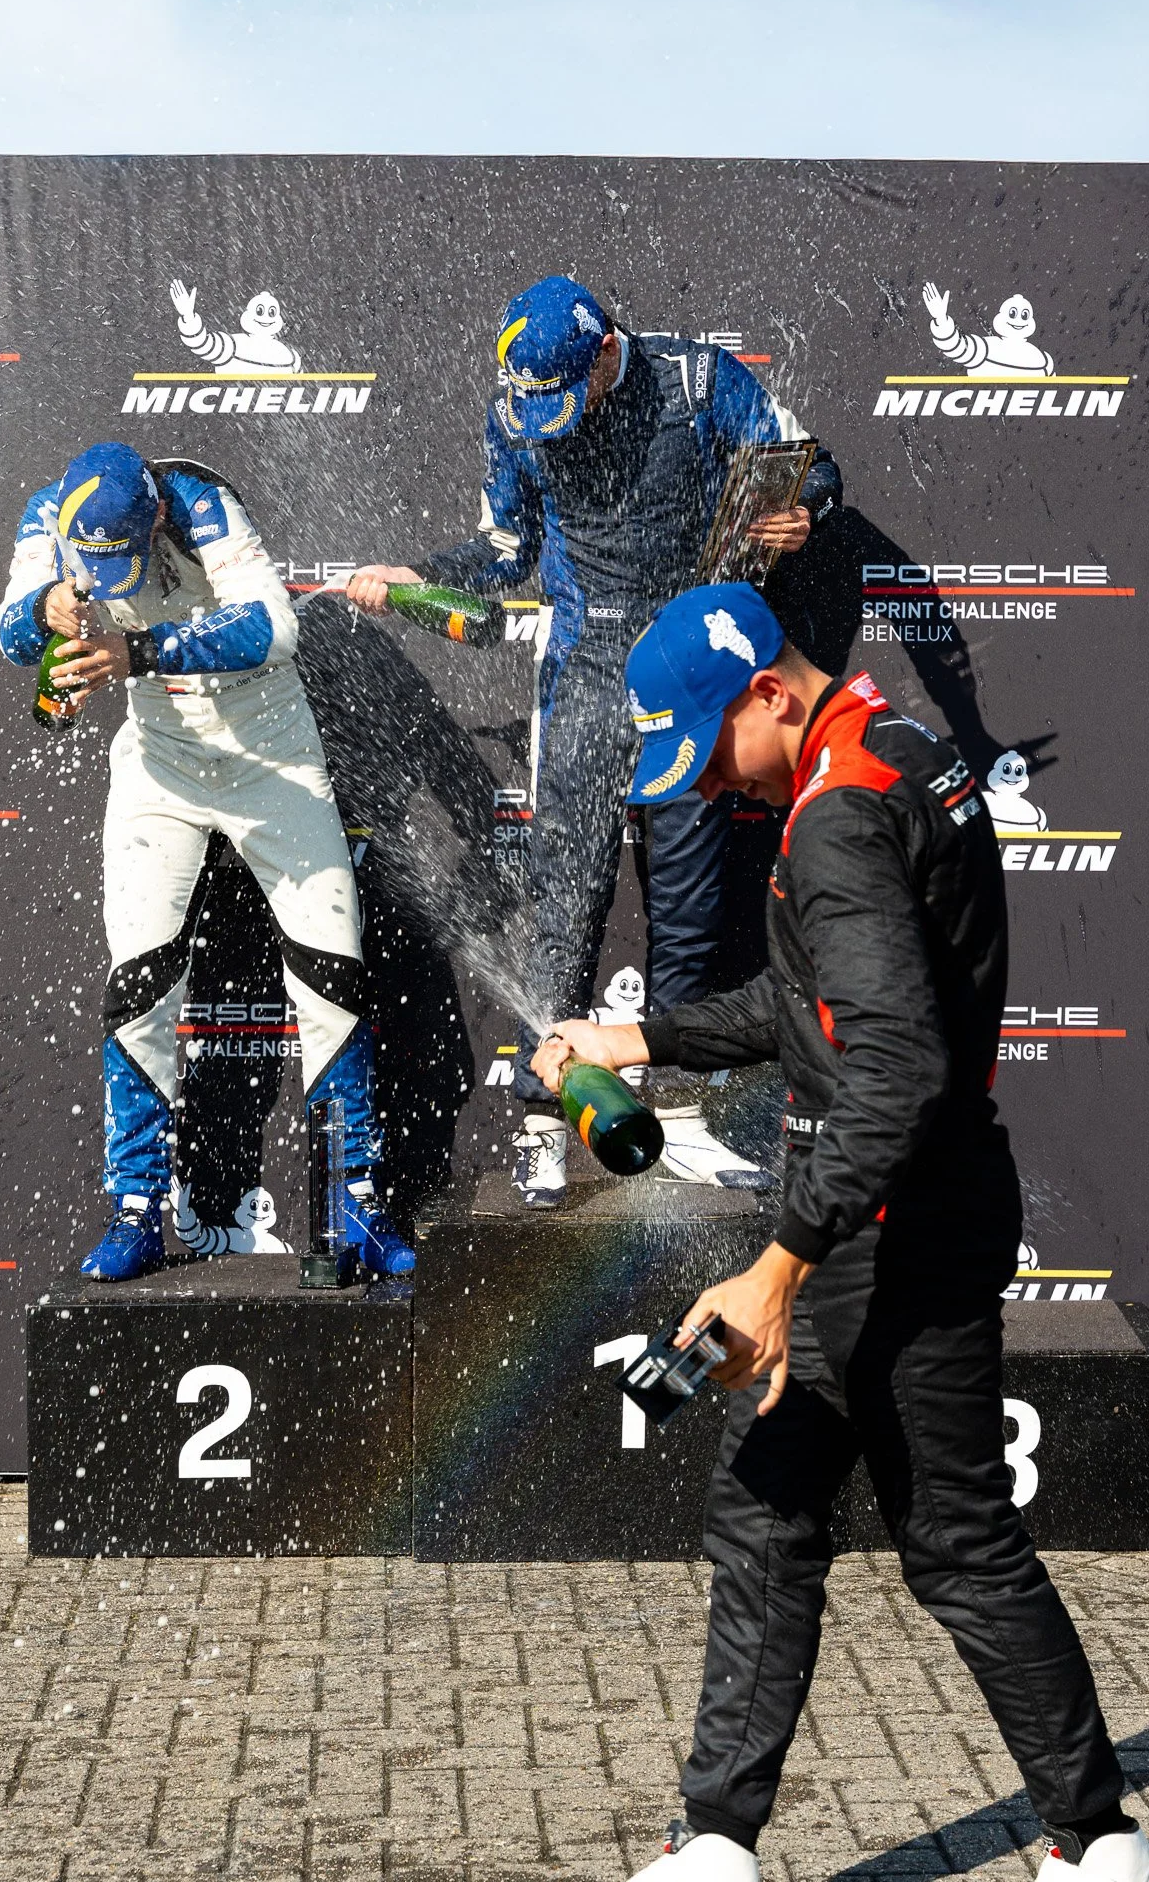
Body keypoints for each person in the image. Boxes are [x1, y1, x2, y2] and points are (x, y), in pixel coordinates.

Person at [519, 583, 1149, 1882]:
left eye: (710, 749)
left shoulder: (836, 820)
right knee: (765, 1512)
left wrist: (771, 1270)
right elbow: (814, 1007)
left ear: (767, 692)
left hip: (898, 1228)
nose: (708, 788)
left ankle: (1102, 1848)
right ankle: (715, 1859)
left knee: (958, 1546)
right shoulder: (890, 747)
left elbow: (894, 1073)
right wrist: (641, 1042)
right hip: (890, 1213)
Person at [346, 274, 842, 1207]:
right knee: (565, 898)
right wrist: (419, 574)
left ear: (608, 350)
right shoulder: (516, 416)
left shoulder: (699, 380)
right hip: (582, 672)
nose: (551, 426)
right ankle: (545, 1116)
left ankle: (685, 1115)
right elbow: (503, 552)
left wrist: (802, 507)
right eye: (533, 410)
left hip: (694, 679)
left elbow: (808, 464)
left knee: (690, 903)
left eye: (566, 401)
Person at [0, 442, 415, 1284]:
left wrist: (138, 654)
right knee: (139, 983)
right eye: (92, 566)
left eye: (120, 561)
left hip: (273, 757)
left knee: (333, 978)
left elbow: (275, 625)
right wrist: (47, 607)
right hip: (162, 767)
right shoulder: (50, 509)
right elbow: (9, 631)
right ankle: (138, 1208)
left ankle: (355, 1208)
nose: (105, 580)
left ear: (150, 517)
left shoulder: (197, 502)